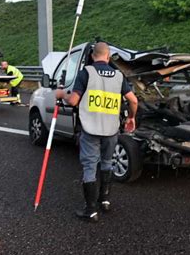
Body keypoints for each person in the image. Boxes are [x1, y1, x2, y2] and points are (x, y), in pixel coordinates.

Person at [55, 42, 138, 222]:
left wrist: (62, 95)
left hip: (90, 129)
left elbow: (74, 101)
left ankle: (91, 210)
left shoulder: (86, 73)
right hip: (111, 129)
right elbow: (133, 100)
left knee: (90, 166)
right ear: (108, 57)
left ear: (93, 56)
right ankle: (105, 200)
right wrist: (131, 117)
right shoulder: (118, 75)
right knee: (107, 162)